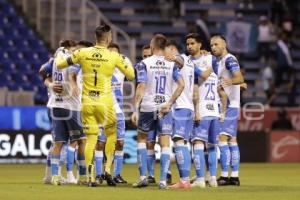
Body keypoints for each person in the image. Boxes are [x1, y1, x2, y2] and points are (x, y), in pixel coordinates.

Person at [54, 24, 135, 186]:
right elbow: (131, 76)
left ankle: (90, 177)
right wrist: (124, 61)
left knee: (91, 139)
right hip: (105, 104)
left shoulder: (82, 53)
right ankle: (106, 170)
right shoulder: (114, 56)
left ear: (95, 38)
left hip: (87, 103)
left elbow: (60, 64)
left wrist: (58, 54)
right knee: (111, 135)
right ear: (109, 38)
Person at [131, 34, 185, 189]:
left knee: (142, 140)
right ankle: (162, 180)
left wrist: (135, 109)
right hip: (165, 108)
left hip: (147, 107)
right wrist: (169, 103)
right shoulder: (171, 64)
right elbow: (181, 85)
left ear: (152, 46)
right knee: (165, 144)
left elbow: (141, 86)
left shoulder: (144, 63)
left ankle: (143, 177)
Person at [39, 39, 87, 185]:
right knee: (79, 141)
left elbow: (41, 70)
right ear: (69, 48)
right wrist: (73, 86)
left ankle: (54, 176)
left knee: (58, 142)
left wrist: (51, 84)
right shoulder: (73, 59)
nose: (75, 51)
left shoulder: (54, 60)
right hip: (71, 106)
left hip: (55, 105)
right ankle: (81, 176)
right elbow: (72, 74)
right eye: (74, 49)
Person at [184, 33, 220, 188]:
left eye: (192, 43)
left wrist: (196, 110)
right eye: (187, 44)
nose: (189, 47)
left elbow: (198, 85)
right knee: (212, 145)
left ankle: (200, 179)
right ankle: (212, 178)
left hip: (203, 108)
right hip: (215, 109)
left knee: (198, 144)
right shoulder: (211, 59)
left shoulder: (190, 63)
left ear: (200, 45)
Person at [94, 43, 130, 186]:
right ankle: (98, 175)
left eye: (115, 53)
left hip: (119, 111)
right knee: (100, 143)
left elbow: (134, 74)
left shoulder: (122, 69)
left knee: (120, 143)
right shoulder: (99, 70)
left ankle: (117, 174)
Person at [210, 35, 245, 186]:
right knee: (232, 140)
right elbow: (241, 83)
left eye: (216, 44)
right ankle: (234, 176)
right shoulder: (220, 61)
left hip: (230, 105)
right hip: (229, 104)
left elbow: (239, 77)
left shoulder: (229, 59)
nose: (213, 47)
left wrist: (229, 82)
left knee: (221, 139)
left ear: (224, 45)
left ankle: (224, 176)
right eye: (211, 45)